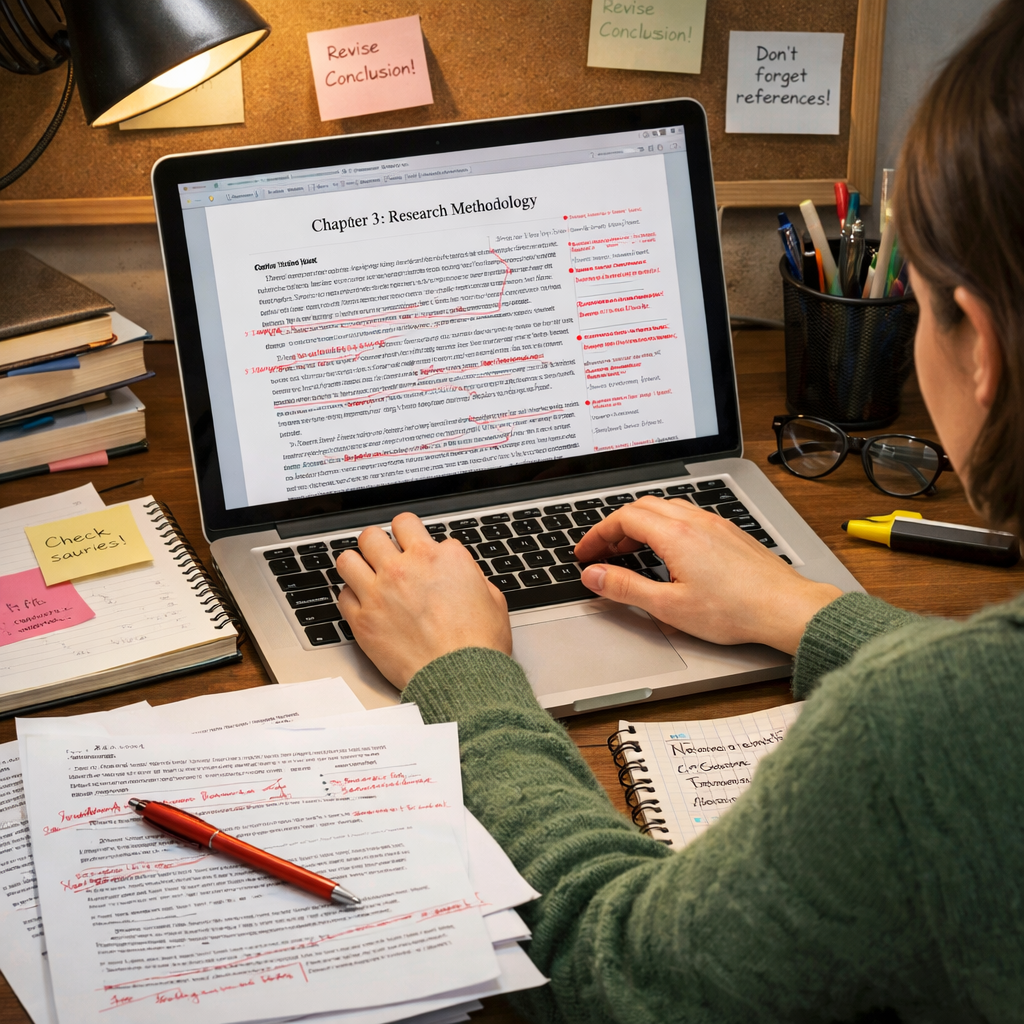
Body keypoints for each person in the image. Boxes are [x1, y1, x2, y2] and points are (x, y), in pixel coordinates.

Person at [334, 4, 1024, 1020]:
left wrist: (464, 683)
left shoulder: (909, 732)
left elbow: (622, 974)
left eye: (914, 299)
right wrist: (803, 612)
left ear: (978, 345)